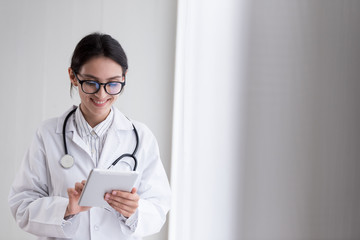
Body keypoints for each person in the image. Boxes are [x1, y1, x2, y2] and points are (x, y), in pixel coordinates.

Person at [8, 33, 171, 239]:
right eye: (91, 83)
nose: (101, 95)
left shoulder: (141, 137)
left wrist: (133, 212)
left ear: (124, 77)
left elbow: (159, 206)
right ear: (73, 76)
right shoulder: (47, 134)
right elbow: (22, 205)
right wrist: (66, 209)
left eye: (112, 84)